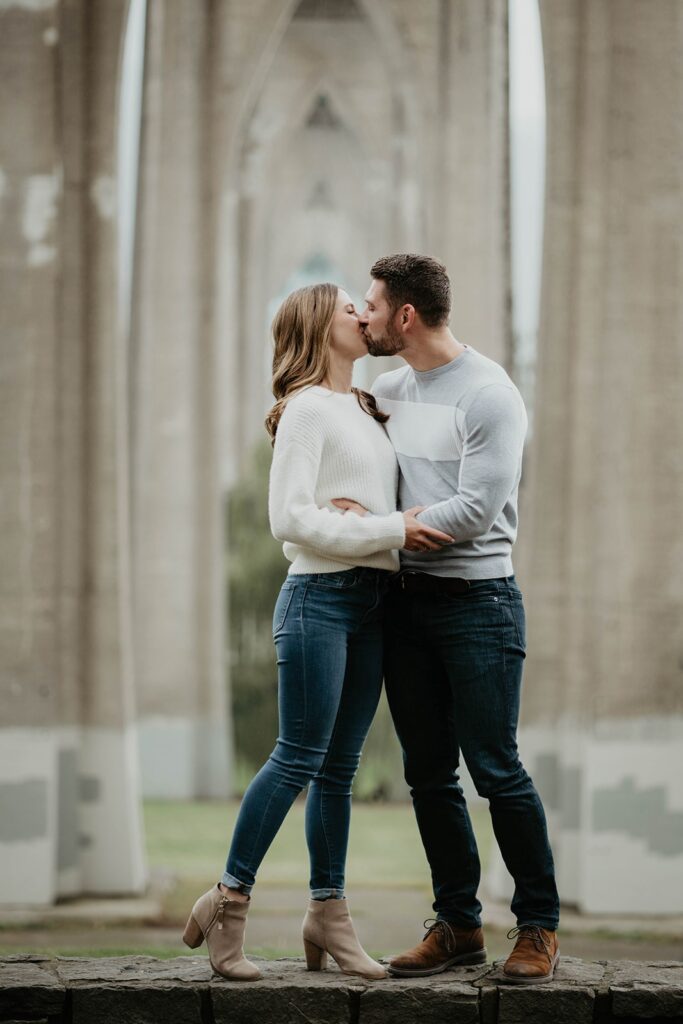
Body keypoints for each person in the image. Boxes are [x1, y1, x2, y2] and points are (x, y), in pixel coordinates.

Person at [182, 282, 452, 981]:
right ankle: (229, 899)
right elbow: (289, 520)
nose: (363, 316)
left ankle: (326, 916)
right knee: (298, 755)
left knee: (339, 770)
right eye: (348, 310)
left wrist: (370, 521)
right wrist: (382, 525)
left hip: (370, 602)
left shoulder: (364, 408)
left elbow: (368, 508)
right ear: (318, 328)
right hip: (317, 602)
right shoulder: (305, 410)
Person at [333, 254, 560, 984]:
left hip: (479, 605)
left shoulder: (490, 395)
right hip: (402, 604)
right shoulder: (387, 390)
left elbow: (475, 511)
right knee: (427, 775)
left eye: (370, 304)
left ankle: (536, 929)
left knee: (495, 769)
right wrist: (360, 512)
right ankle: (458, 924)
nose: (361, 315)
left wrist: (384, 523)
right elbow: (361, 478)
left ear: (404, 315)